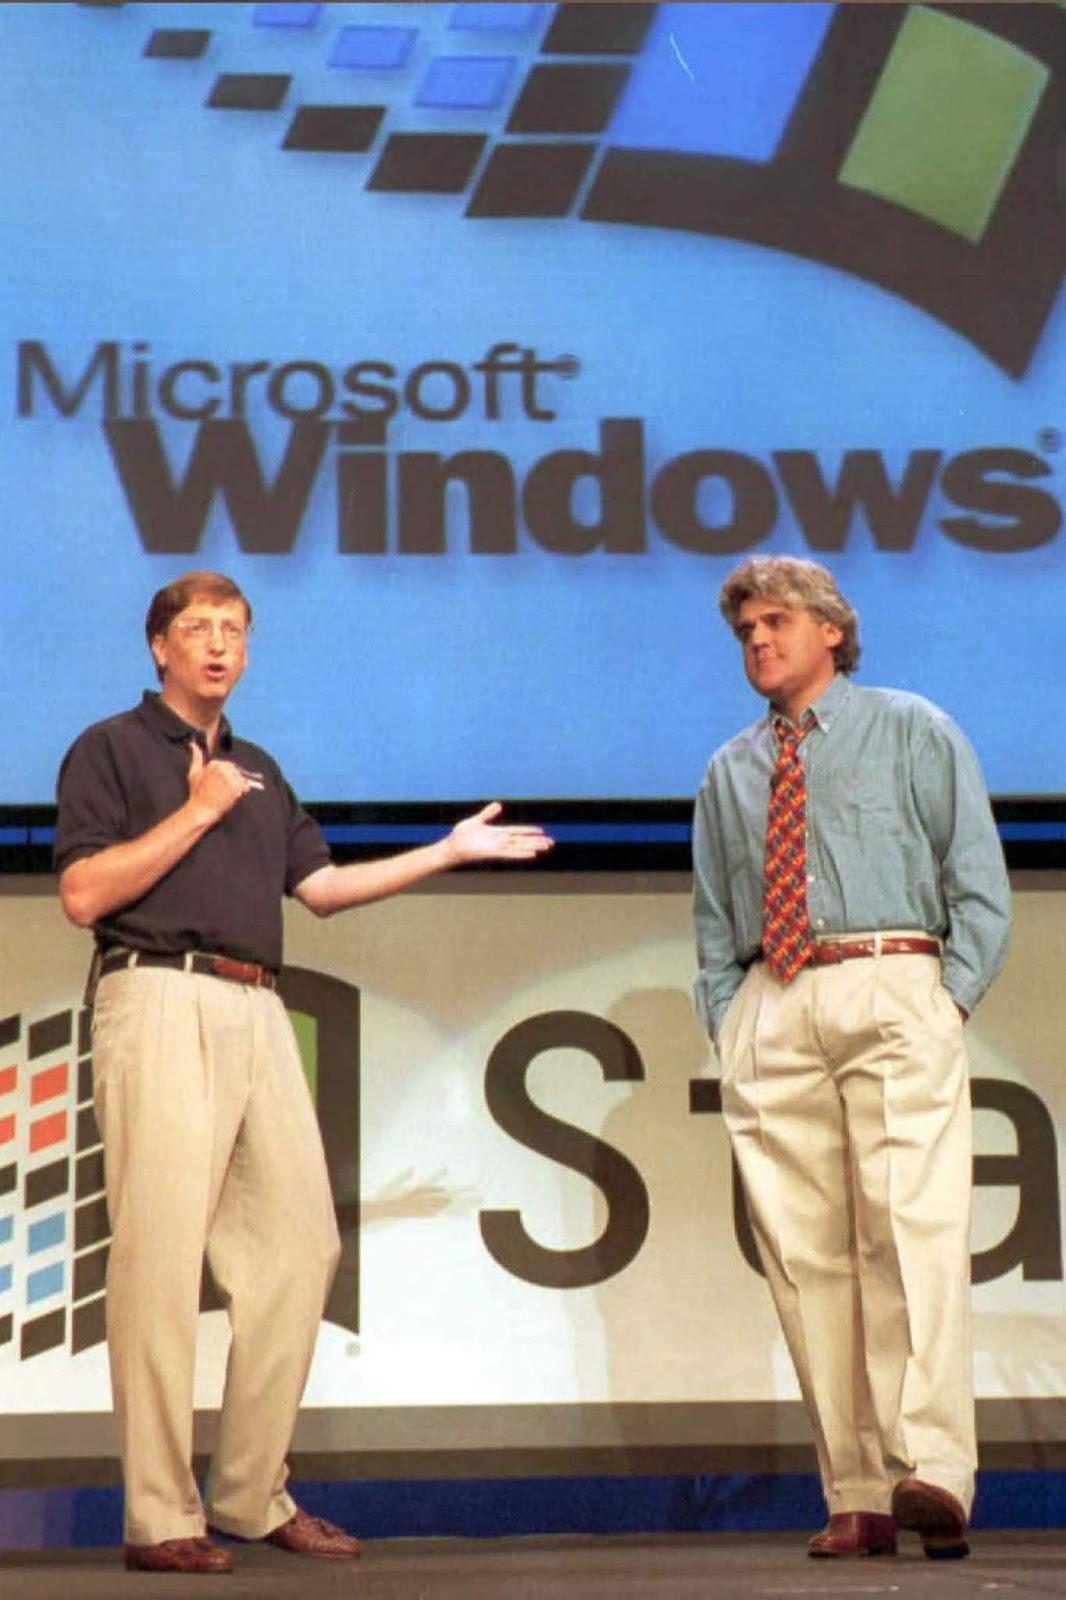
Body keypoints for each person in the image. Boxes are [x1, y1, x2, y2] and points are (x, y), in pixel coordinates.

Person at [55, 570, 553, 1575]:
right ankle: (160, 1515)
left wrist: (446, 853)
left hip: (257, 1003)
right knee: (159, 1263)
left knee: (299, 1247)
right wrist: (196, 812)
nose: (218, 645)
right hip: (158, 993)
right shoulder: (110, 748)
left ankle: (248, 1491)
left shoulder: (260, 769)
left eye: (235, 630)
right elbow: (82, 893)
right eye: (199, 628)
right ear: (159, 646)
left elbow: (320, 888)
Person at [692, 556, 1010, 1562]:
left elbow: (977, 881)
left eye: (775, 622)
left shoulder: (912, 728)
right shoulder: (729, 769)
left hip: (889, 972)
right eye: (745, 630)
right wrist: (733, 1022)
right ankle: (858, 1491)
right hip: (774, 998)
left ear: (831, 629)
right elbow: (714, 919)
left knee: (910, 1229)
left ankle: (934, 1468)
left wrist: (943, 999)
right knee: (803, 1257)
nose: (758, 641)